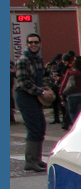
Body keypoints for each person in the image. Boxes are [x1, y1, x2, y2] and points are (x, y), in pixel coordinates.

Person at [13, 33, 53, 171]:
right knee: (34, 128)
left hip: (35, 96)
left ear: (40, 43)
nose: (33, 44)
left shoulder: (38, 60)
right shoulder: (23, 60)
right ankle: (30, 161)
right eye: (30, 42)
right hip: (25, 96)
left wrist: (46, 89)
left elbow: (40, 79)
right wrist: (42, 92)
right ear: (27, 44)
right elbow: (23, 82)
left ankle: (37, 159)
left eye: (36, 42)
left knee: (41, 126)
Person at [58, 52, 81, 128]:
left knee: (72, 112)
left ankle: (75, 125)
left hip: (71, 95)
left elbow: (64, 83)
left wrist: (61, 93)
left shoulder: (69, 72)